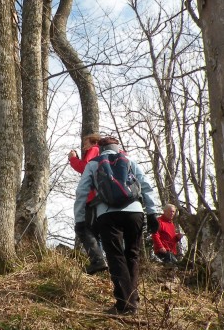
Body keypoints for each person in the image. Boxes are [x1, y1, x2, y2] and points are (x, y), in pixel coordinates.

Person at [74, 136, 160, 315]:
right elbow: (146, 185)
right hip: (135, 212)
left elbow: (82, 192)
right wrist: (152, 213)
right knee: (133, 255)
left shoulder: (94, 163)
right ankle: (132, 301)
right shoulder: (129, 160)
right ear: (117, 146)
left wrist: (80, 220)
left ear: (100, 148)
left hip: (107, 214)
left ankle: (125, 304)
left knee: (115, 256)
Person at [68, 133, 107, 274]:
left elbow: (85, 167)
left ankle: (98, 261)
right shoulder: (104, 154)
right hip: (104, 197)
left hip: (94, 198)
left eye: (86, 143)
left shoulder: (94, 150)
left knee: (87, 229)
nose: (84, 147)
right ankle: (103, 262)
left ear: (93, 142)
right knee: (99, 230)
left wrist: (72, 159)